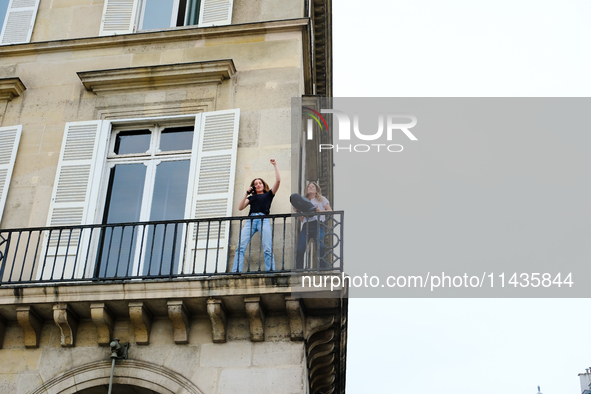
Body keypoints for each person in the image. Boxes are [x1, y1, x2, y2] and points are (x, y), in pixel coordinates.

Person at [232, 159, 280, 272]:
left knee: (267, 248)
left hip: (263, 219)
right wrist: (246, 193)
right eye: (255, 184)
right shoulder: (251, 197)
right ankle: (236, 271)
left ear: (263, 185)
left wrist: (275, 165)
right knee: (240, 247)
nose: (258, 185)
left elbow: (278, 181)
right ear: (253, 187)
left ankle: (270, 272)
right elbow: (240, 207)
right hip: (251, 220)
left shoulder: (269, 195)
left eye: (260, 183)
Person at [295, 182, 332, 269]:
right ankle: (299, 270)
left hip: (318, 225)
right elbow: (303, 219)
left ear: (316, 190)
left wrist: (320, 212)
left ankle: (323, 269)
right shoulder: (304, 201)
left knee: (320, 247)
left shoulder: (322, 199)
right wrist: (297, 211)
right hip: (306, 226)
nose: (310, 187)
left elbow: (330, 211)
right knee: (300, 249)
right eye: (309, 186)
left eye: (313, 186)